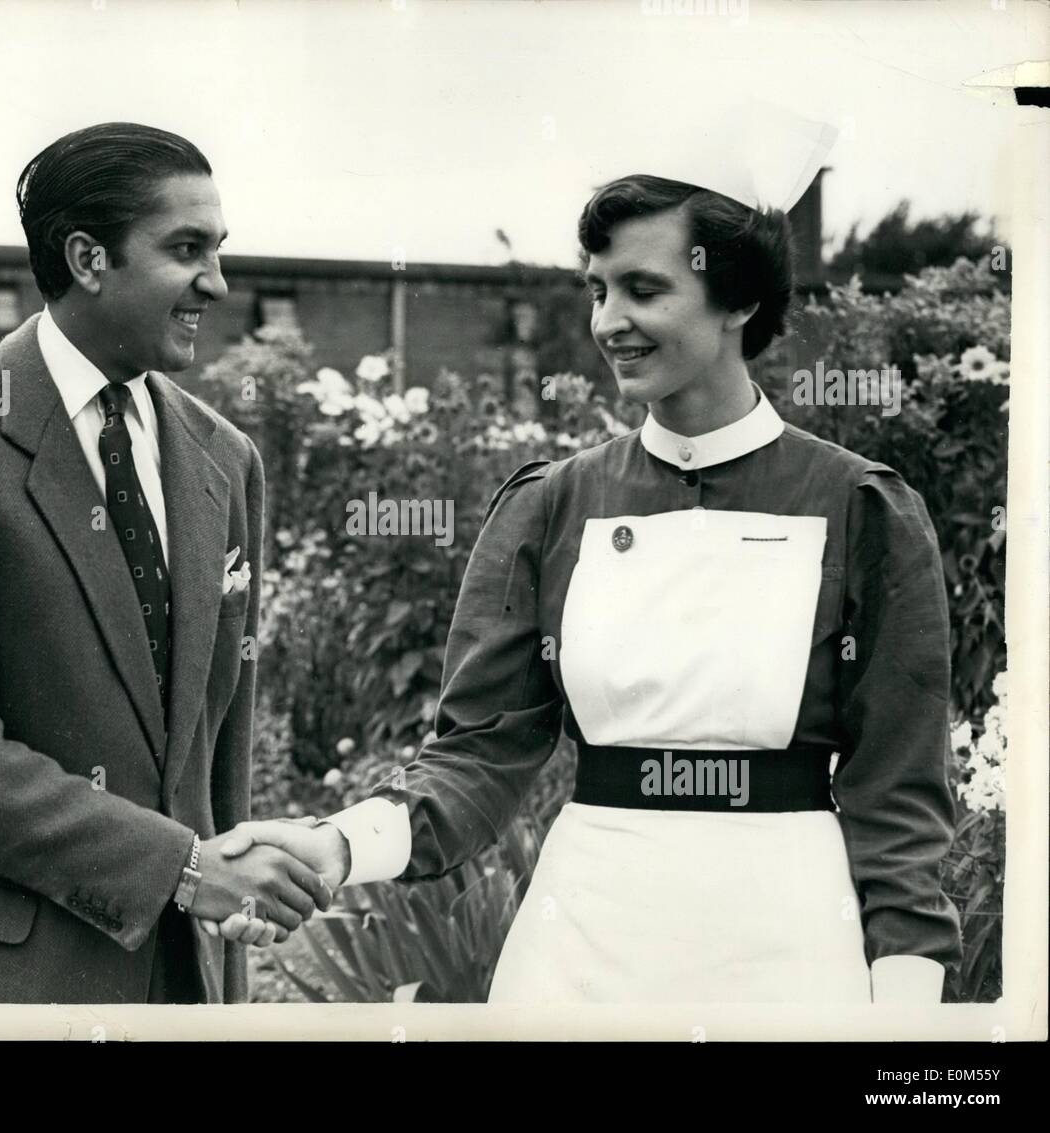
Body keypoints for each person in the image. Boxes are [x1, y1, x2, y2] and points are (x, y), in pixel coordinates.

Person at [207, 111, 963, 1003]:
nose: (611, 322)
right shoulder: (553, 504)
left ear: (741, 301)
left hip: (790, 949)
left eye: (644, 289)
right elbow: (478, 755)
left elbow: (899, 794)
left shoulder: (859, 507)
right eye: (598, 290)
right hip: (585, 951)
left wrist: (905, 1013)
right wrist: (337, 844)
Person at [0, 123, 330, 1003]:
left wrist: (226, 918)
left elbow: (216, 751)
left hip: (176, 981)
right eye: (186, 250)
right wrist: (180, 868)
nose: (216, 284)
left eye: (218, 250)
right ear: (88, 257)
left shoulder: (226, 458)